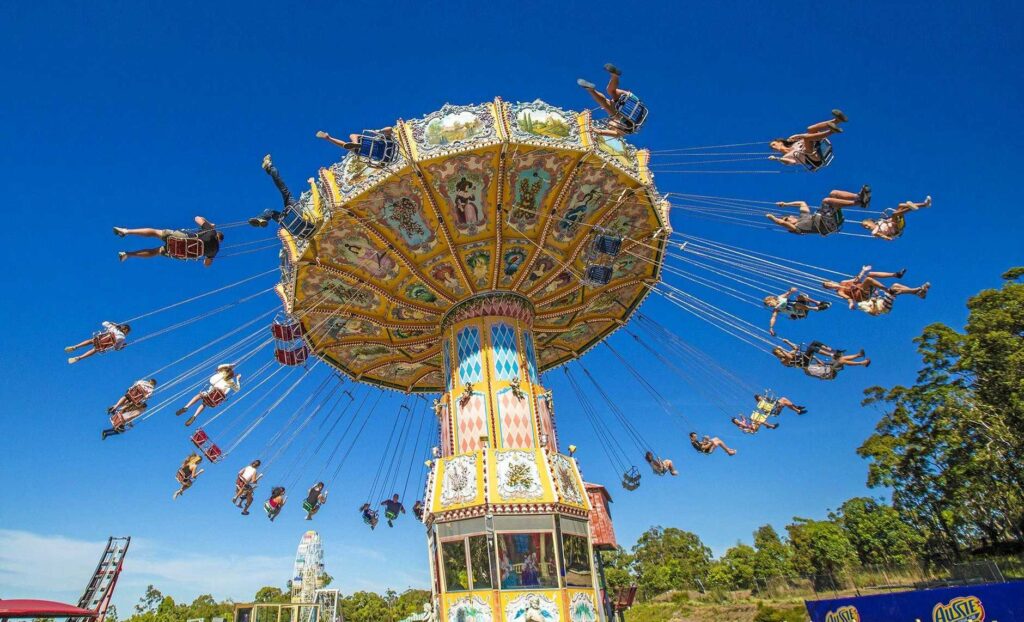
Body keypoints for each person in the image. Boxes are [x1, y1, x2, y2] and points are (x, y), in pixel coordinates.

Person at [247, 155, 316, 238]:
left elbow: (316, 199)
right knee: (273, 209)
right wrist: (313, 184)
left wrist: (312, 183)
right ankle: (261, 219)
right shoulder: (312, 229)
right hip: (298, 226)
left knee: (283, 191)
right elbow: (317, 199)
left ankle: (269, 166)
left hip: (296, 218)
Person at [114, 216, 223, 267]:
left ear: (217, 233)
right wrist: (206, 259)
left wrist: (210, 224)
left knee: (155, 233)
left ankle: (126, 231)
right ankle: (128, 254)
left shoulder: (211, 231)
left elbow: (197, 218)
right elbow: (207, 264)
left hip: (181, 238)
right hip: (179, 253)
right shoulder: (215, 251)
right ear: (220, 241)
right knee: (156, 251)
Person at [823, 265, 930, 315]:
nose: (831, 286)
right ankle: (888, 289)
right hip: (862, 295)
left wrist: (863, 270)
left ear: (832, 281)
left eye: (830, 284)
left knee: (871, 275)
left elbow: (857, 279)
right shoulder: (839, 291)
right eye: (829, 287)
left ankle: (897, 276)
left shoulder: (843, 282)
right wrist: (851, 303)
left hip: (865, 289)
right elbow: (847, 298)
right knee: (869, 279)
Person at [765, 186, 869, 236]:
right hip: (827, 225)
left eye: (787, 218)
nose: (787, 221)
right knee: (826, 201)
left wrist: (786, 204)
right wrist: (773, 218)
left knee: (834, 193)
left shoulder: (803, 217)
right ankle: (859, 203)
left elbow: (802, 203)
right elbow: (781, 223)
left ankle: (858, 197)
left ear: (792, 216)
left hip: (827, 217)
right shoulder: (797, 229)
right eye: (786, 221)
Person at [577, 63, 645, 137]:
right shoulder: (624, 129)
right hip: (629, 116)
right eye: (610, 127)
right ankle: (591, 90)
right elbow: (612, 134)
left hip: (635, 102)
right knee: (605, 104)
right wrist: (597, 131)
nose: (609, 125)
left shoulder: (621, 118)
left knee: (611, 91)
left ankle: (615, 76)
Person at [768, 110, 847, 168]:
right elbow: (792, 162)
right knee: (806, 139)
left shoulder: (793, 142)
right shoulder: (785, 157)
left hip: (816, 146)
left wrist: (798, 135)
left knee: (810, 129)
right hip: (814, 158)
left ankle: (837, 121)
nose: (773, 147)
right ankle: (831, 131)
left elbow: (807, 135)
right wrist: (777, 158)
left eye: (774, 144)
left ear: (780, 142)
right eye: (772, 147)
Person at [175, 364, 241, 427]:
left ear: (225, 371)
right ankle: (194, 416)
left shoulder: (221, 374)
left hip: (211, 393)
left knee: (199, 396)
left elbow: (219, 366)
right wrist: (237, 379)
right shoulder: (231, 382)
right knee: (204, 403)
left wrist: (230, 365)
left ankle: (186, 407)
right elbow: (237, 389)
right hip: (215, 400)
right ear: (232, 376)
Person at [764, 287, 831, 336]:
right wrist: (771, 328)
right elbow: (773, 318)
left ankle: (817, 303)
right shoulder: (776, 309)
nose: (770, 305)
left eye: (769, 303)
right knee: (795, 305)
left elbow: (787, 293)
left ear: (772, 299)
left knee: (800, 296)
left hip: (801, 305)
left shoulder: (780, 297)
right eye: (768, 305)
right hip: (800, 313)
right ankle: (816, 308)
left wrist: (791, 290)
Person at [861, 196, 932, 240]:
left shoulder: (880, 221)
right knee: (895, 214)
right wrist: (886, 237)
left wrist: (887, 219)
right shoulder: (874, 232)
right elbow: (879, 235)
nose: (867, 227)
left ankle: (925, 204)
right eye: (865, 227)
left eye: (866, 225)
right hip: (897, 229)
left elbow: (888, 220)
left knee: (900, 205)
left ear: (871, 221)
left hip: (896, 222)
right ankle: (911, 208)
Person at [66, 321, 130, 365]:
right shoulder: (122, 337)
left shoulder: (113, 328)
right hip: (102, 346)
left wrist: (114, 324)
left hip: (98, 339)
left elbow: (104, 323)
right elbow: (117, 348)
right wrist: (123, 346)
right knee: (94, 350)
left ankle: (75, 346)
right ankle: (79, 357)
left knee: (91, 340)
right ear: (126, 331)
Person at [316, 126, 395, 156]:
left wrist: (329, 139)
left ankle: (329, 138)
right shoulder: (388, 141)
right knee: (352, 136)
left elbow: (344, 145)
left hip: (366, 150)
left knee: (351, 138)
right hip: (384, 153)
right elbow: (390, 129)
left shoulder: (385, 141)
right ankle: (355, 143)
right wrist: (379, 131)